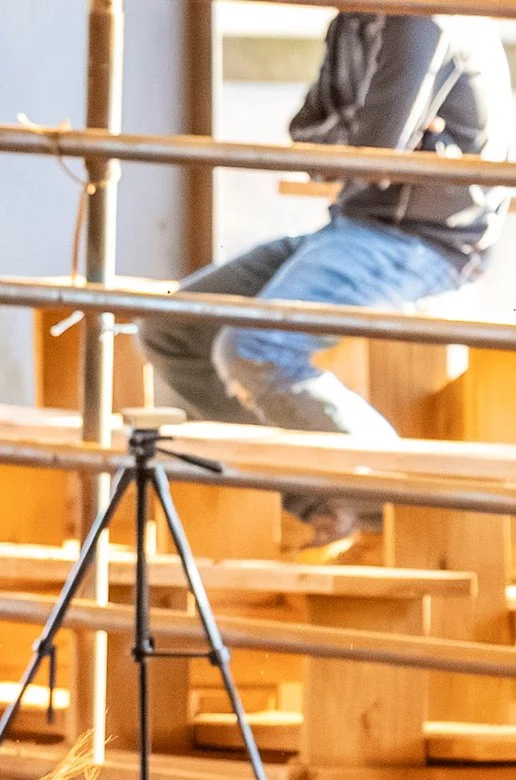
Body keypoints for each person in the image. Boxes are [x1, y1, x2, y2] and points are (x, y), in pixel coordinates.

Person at [137, 10, 509, 558]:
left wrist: (362, 142)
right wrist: (370, 140)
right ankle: (326, 498)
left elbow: (370, 153)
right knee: (171, 327)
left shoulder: (420, 18)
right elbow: (311, 139)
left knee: (255, 346)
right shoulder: (351, 21)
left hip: (427, 242)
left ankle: (402, 502)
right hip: (354, 226)